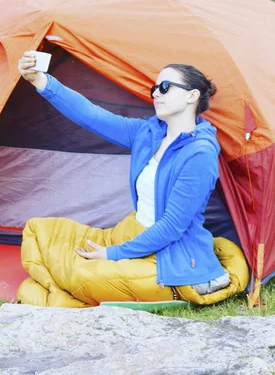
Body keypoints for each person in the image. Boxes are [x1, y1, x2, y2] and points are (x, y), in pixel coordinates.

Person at [16, 51, 232, 306]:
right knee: (40, 230)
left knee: (79, 275)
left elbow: (172, 226)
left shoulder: (200, 153)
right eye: (154, 88)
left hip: (173, 258)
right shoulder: (148, 133)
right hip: (135, 233)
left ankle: (187, 285)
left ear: (192, 96)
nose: (156, 94)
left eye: (165, 87)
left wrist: (113, 254)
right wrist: (41, 81)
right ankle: (72, 283)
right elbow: (92, 116)